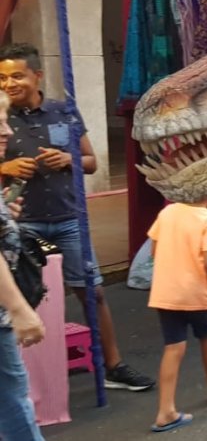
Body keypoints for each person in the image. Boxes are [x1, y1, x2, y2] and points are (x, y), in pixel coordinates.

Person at [0, 43, 154, 391]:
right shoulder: (0, 118)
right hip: (20, 226)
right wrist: (5, 167)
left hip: (68, 220)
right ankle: (29, 376)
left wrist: (68, 159)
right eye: (2, 78)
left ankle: (112, 364)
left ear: (37, 75)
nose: (9, 84)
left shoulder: (64, 112)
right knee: (23, 298)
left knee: (93, 292)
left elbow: (91, 162)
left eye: (17, 76)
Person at [0, 92, 95, 441]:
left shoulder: (63, 109)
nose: (7, 130)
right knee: (11, 388)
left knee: (10, 389)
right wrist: (21, 310)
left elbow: (89, 160)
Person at [146, 196, 207, 432]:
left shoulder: (168, 213)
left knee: (173, 347)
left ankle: (165, 409)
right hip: (196, 291)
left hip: (166, 291)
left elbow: (154, 251)